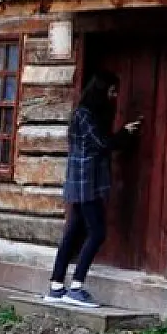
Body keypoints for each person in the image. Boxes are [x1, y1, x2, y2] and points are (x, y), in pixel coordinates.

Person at [46, 70, 139, 307]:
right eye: (111, 91)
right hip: (85, 180)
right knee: (97, 233)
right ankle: (76, 287)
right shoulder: (84, 115)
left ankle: (56, 286)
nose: (115, 96)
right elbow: (101, 145)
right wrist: (125, 134)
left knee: (74, 230)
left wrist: (121, 134)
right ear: (101, 91)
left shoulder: (88, 114)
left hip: (85, 178)